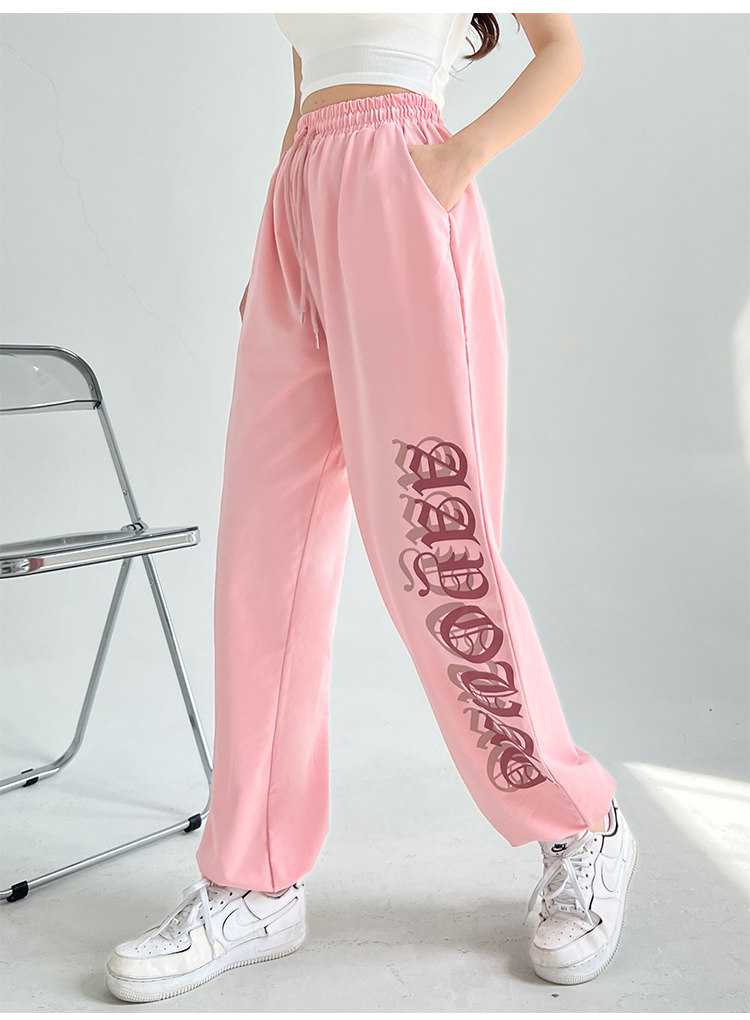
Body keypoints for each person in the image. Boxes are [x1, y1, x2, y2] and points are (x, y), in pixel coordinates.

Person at [105, 13, 638, 1003]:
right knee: (262, 564)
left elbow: (560, 47)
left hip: (403, 193)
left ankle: (581, 824)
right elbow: (306, 87)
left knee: (438, 556)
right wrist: (275, 239)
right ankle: (256, 879)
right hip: (298, 213)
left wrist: (456, 159)